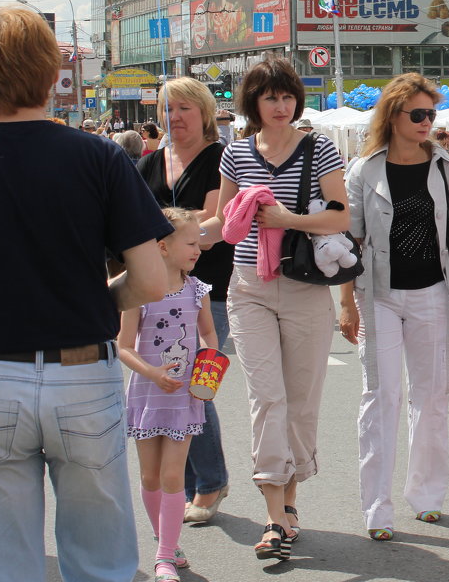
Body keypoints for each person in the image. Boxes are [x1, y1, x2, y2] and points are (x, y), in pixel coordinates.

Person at [0, 6, 170, 582]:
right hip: (83, 372)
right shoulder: (99, 157)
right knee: (101, 563)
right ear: (52, 76)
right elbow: (151, 280)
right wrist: (99, 303)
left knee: (6, 559)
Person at [203, 54, 350, 562]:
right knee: (267, 396)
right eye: (271, 97)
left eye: (287, 96)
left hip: (305, 285)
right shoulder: (236, 154)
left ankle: (290, 502)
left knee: (300, 399)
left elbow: (339, 217)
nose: (281, 105)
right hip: (248, 287)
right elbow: (222, 222)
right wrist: (163, 240)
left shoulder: (320, 147)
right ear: (254, 103)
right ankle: (273, 512)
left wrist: (287, 218)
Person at [337, 73, 449, 539]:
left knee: (432, 396)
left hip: (433, 294)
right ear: (392, 117)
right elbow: (351, 240)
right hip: (377, 295)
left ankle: (427, 496)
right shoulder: (364, 170)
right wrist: (346, 302)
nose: (426, 122)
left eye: (431, 115)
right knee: (381, 398)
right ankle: (377, 507)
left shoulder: (444, 167)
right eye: (417, 114)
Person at [137, 77, 235, 525]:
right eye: (167, 109)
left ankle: (210, 481)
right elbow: (128, 220)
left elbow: (213, 227)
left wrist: (165, 227)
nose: (174, 117)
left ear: (204, 113)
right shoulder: (150, 161)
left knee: (196, 384)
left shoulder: (220, 158)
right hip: (153, 292)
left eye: (183, 109)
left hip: (205, 288)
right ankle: (192, 483)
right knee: (169, 383)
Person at [118, 208, 219, 580]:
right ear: (162, 246)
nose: (198, 249)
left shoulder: (198, 290)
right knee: (149, 477)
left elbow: (209, 335)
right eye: (191, 243)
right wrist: (152, 373)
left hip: (184, 397)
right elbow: (124, 345)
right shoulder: (140, 291)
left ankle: (163, 556)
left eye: (199, 243)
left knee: (174, 477)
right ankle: (167, 539)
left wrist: (210, 364)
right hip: (148, 394)